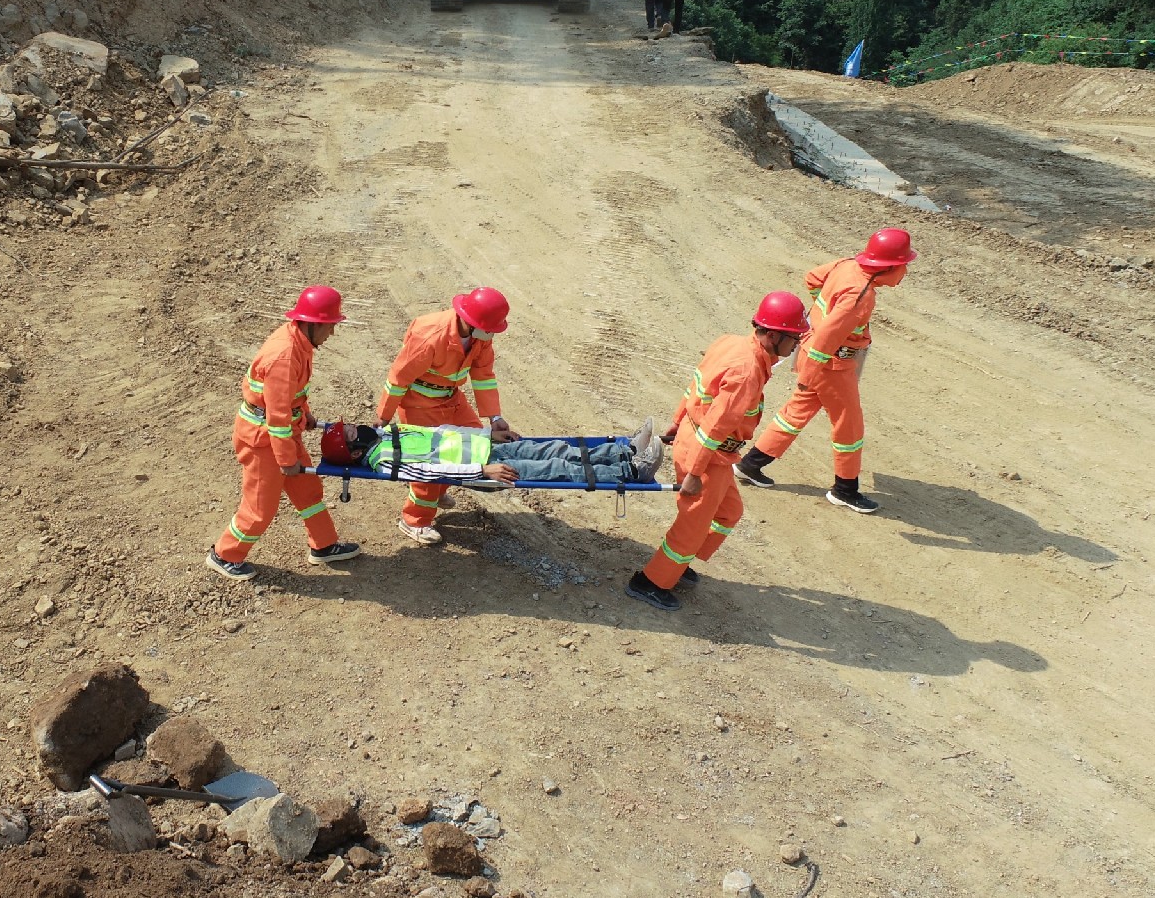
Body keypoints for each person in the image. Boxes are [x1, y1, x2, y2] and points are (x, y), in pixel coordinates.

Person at [627, 292, 811, 611]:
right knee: (693, 523)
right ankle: (651, 582)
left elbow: (696, 384)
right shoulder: (746, 372)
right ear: (773, 335)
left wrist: (677, 422)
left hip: (704, 446)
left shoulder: (731, 343)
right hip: (706, 453)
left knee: (729, 512)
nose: (796, 345)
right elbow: (716, 427)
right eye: (794, 338)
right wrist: (695, 473)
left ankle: (679, 561)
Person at [734, 228, 918, 513]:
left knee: (794, 414)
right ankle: (845, 490)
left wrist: (822, 315)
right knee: (849, 426)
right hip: (830, 366)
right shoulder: (860, 296)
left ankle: (750, 465)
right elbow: (827, 339)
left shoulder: (847, 265)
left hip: (813, 354)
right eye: (904, 265)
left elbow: (812, 278)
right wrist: (808, 374)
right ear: (889, 267)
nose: (905, 272)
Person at [207, 286, 361, 580]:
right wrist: (287, 460)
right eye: (330, 326)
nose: (332, 333)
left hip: (283, 434)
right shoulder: (285, 356)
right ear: (312, 324)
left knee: (308, 491)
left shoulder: (299, 341)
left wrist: (305, 413)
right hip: (264, 439)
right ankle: (225, 554)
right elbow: (276, 416)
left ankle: (324, 545)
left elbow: (292, 394)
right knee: (259, 508)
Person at [376, 287, 514, 545]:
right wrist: (383, 418)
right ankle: (414, 520)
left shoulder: (480, 335)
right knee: (433, 460)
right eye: (490, 329)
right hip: (419, 404)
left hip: (451, 398)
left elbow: (483, 375)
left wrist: (495, 418)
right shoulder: (430, 336)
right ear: (471, 322)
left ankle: (438, 491)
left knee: (476, 446)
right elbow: (398, 378)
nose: (493, 334)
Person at [322, 419, 663, 487]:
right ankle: (633, 472)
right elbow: (432, 473)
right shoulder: (385, 462)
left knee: (555, 449)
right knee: (558, 467)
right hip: (485, 468)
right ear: (354, 453)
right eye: (351, 432)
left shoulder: (390, 433)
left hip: (490, 447)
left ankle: (624, 453)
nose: (356, 426)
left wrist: (488, 434)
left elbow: (446, 433)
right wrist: (482, 472)